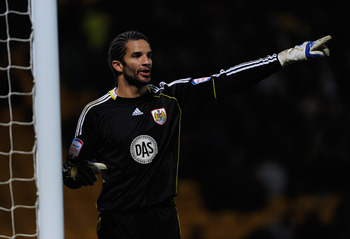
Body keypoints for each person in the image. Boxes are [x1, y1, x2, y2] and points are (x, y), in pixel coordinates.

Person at [62, 31, 331, 238]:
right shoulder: (96, 113)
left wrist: (283, 58)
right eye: (137, 56)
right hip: (116, 222)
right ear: (117, 65)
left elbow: (225, 80)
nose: (146, 62)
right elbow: (71, 172)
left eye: (149, 55)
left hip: (162, 219)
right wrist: (76, 172)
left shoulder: (171, 97)